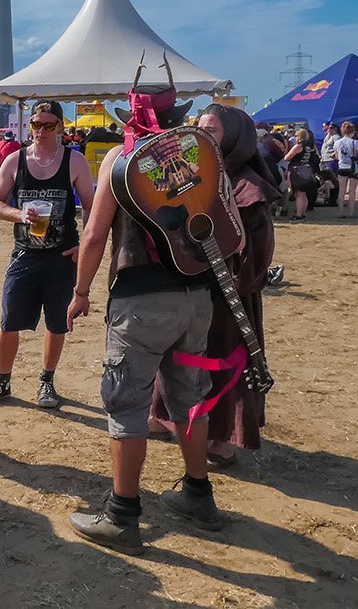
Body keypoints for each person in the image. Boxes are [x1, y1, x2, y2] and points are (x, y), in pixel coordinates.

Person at [65, 66, 229, 556]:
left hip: (141, 299)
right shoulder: (199, 154)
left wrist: (80, 291)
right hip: (196, 295)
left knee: (127, 404)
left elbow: (95, 235)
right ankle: (198, 494)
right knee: (189, 397)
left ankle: (122, 514)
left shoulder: (121, 160)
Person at [151, 105, 280, 468]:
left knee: (221, 363)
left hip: (227, 297)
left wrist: (231, 266)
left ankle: (223, 439)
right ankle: (162, 416)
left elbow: (256, 253)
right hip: (190, 286)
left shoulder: (248, 188)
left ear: (235, 138)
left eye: (212, 131)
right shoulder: (193, 174)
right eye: (200, 128)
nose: (202, 137)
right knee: (177, 356)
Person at [0, 100, 94, 409]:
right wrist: (19, 215)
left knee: (57, 322)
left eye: (48, 125)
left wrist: (84, 245)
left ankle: (47, 381)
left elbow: (92, 207)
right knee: (9, 319)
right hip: (25, 253)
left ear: (60, 127)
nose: (41, 131)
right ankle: (2, 381)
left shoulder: (75, 161)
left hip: (62, 255)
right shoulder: (15, 160)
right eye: (36, 125)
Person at [282, 128, 320, 220]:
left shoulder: (299, 146)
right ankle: (302, 213)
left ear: (300, 136)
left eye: (296, 135)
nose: (295, 137)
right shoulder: (311, 147)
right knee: (304, 193)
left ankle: (299, 215)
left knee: (298, 194)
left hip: (297, 171)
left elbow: (286, 158)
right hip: (307, 170)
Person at [335, 121, 358, 218]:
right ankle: (351, 212)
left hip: (342, 167)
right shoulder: (355, 142)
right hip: (353, 167)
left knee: (342, 190)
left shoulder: (337, 142)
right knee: (352, 190)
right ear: (352, 132)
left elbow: (337, 156)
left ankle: (340, 212)